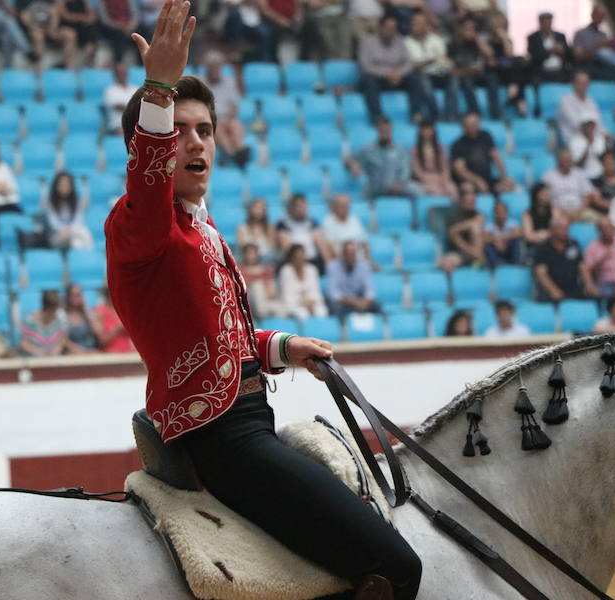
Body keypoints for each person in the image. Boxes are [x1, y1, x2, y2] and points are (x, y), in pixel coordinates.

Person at [106, 5, 422, 596]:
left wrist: (280, 347)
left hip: (249, 423)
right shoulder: (138, 223)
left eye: (205, 130)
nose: (195, 142)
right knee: (401, 568)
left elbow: (217, 338)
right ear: (146, 148)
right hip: (222, 441)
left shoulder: (200, 230)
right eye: (179, 131)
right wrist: (158, 90)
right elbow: (145, 183)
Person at [358, 15, 425, 123]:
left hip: (397, 78)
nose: (391, 32)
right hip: (377, 78)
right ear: (380, 28)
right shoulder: (367, 42)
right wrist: (386, 73)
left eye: (394, 29)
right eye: (388, 28)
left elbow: (408, 62)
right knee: (368, 80)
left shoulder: (400, 42)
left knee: (415, 79)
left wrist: (399, 73)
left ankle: (416, 113)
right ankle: (377, 116)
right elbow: (365, 66)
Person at [348, 117, 421, 199]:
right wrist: (353, 164)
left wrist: (400, 182)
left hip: (397, 185)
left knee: (417, 190)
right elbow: (349, 158)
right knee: (391, 157)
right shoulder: (368, 149)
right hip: (376, 185)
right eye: (382, 130)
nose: (384, 133)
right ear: (378, 131)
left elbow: (405, 170)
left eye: (387, 130)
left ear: (391, 130)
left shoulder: (400, 149)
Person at [404, 10, 455, 122]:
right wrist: (431, 61)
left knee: (454, 79)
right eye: (412, 23)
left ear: (425, 26)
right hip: (421, 75)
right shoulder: (406, 42)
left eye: (417, 24)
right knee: (423, 79)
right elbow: (412, 66)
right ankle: (436, 114)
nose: (413, 26)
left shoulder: (437, 40)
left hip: (440, 73)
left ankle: (450, 115)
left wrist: (430, 62)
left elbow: (443, 60)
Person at [202, 51, 250, 168]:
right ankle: (234, 155)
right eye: (213, 67)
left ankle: (239, 150)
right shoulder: (202, 84)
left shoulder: (229, 82)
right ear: (208, 68)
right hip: (211, 119)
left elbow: (234, 106)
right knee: (218, 129)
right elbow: (201, 108)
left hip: (227, 117)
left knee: (236, 125)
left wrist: (230, 119)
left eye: (218, 67)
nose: (216, 70)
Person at [448, 16, 500, 120]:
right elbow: (450, 69)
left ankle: (496, 113)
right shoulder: (453, 44)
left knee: (492, 78)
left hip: (478, 74)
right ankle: (475, 112)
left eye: (472, 29)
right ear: (460, 29)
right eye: (467, 28)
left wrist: (477, 38)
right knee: (466, 82)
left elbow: (490, 54)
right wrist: (466, 70)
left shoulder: (478, 42)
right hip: (463, 75)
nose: (469, 31)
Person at [532, 215, 594, 302]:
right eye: (562, 228)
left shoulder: (573, 244)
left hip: (573, 290)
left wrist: (589, 284)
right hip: (550, 293)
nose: (565, 231)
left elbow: (582, 266)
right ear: (552, 229)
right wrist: (553, 290)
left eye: (567, 228)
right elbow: (541, 273)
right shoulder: (543, 248)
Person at [450, 112, 515, 193]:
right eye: (469, 124)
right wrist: (477, 180)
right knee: (468, 188)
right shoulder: (457, 145)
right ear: (463, 126)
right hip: (469, 181)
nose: (472, 126)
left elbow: (496, 157)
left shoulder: (486, 136)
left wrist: (504, 177)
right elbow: (460, 170)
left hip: (487, 178)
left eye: (475, 123)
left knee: (510, 185)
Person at [542, 147, 603, 221]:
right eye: (564, 160)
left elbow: (588, 195)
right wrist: (563, 212)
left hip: (580, 211)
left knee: (602, 221)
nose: (567, 162)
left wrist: (579, 210)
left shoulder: (579, 174)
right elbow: (545, 199)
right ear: (558, 161)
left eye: (569, 160)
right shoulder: (548, 177)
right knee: (556, 220)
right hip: (559, 211)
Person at [275, 194, 332, 272]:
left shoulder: (313, 223)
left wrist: (330, 264)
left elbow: (322, 246)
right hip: (292, 262)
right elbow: (286, 248)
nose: (302, 209)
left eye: (304, 206)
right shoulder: (283, 224)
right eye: (299, 206)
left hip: (313, 261)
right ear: (292, 208)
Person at [487, 10, 527, 117]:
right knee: (515, 67)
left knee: (519, 64)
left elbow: (509, 53)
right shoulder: (488, 40)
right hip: (495, 70)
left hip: (508, 70)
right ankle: (519, 100)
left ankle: (514, 89)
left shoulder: (506, 39)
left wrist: (504, 38)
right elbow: (491, 60)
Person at [326, 240, 379, 318]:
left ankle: (377, 329)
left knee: (376, 306)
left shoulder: (363, 266)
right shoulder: (333, 267)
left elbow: (370, 290)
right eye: (348, 254)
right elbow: (333, 293)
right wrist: (353, 302)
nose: (351, 257)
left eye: (353, 254)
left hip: (360, 300)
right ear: (343, 254)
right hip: (343, 302)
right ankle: (341, 329)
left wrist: (366, 301)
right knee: (335, 307)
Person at [440, 181, 484, 271]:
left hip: (477, 252)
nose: (471, 199)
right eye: (467, 195)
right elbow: (455, 237)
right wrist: (473, 252)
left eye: (473, 195)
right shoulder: (454, 215)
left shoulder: (478, 214)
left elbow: (480, 228)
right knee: (446, 264)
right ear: (461, 199)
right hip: (460, 252)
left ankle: (477, 266)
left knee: (475, 229)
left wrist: (457, 228)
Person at [557, 71, 607, 146]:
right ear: (574, 84)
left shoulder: (591, 101)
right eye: (581, 83)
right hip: (573, 139)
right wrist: (594, 134)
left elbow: (598, 122)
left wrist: (605, 134)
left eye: (586, 83)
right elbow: (576, 124)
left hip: (593, 137)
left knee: (608, 143)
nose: (584, 86)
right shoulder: (565, 101)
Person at [279, 244, 328, 320]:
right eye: (297, 257)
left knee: (322, 312)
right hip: (294, 306)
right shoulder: (286, 271)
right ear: (292, 258)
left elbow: (316, 292)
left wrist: (311, 303)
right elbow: (287, 296)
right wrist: (303, 303)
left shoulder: (312, 269)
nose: (300, 259)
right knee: (302, 314)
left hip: (312, 304)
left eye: (302, 256)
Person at [44, 171, 92, 250]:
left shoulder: (77, 201)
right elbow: (53, 223)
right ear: (56, 186)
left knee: (77, 243)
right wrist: (64, 230)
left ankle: (85, 258)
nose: (64, 188)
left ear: (71, 186)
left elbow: (79, 220)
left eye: (67, 185)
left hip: (73, 233)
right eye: (61, 185)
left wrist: (71, 230)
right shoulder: (50, 202)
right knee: (84, 233)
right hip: (56, 236)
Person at [410, 121, 457, 197]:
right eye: (424, 130)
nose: (427, 132)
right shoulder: (415, 150)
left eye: (429, 129)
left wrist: (444, 179)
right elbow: (417, 171)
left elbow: (445, 168)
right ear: (420, 132)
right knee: (433, 191)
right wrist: (430, 180)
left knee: (451, 188)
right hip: (424, 181)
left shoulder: (441, 148)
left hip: (440, 179)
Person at [527, 11, 572, 87]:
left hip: (559, 70)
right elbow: (534, 56)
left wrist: (562, 51)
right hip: (541, 72)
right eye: (545, 22)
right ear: (540, 23)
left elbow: (568, 54)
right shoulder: (533, 38)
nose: (547, 25)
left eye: (549, 22)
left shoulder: (560, 36)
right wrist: (550, 50)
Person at [239, 243, 284, 319]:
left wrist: (268, 292)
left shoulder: (266, 270)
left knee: (281, 308)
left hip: (266, 300)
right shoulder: (240, 271)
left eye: (253, 253)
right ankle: (262, 312)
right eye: (248, 253)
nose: (250, 256)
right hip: (249, 303)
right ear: (244, 255)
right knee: (257, 286)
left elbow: (272, 291)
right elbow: (241, 291)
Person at [20, 289, 68, 356]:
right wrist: (39, 352)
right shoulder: (30, 320)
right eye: (55, 306)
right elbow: (24, 344)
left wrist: (56, 350)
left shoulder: (61, 319)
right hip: (34, 360)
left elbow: (63, 341)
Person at [572, 4, 612, 78]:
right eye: (598, 15)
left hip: (602, 66)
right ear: (592, 15)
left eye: (602, 16)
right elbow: (578, 56)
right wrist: (597, 46)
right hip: (586, 67)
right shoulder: (580, 33)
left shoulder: (603, 35)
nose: (600, 18)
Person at [55, 0, 98, 68]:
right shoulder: (61, 2)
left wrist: (82, 18)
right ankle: (69, 66)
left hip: (82, 26)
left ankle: (90, 63)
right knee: (70, 35)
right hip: (68, 26)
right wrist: (81, 17)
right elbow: (65, 16)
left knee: (90, 35)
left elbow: (91, 16)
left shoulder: (84, 2)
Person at [236, 197, 279, 264]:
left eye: (262, 208)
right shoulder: (242, 228)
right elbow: (242, 248)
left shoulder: (270, 228)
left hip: (267, 261)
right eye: (257, 207)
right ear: (251, 209)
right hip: (248, 260)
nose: (260, 210)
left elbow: (273, 248)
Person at [92, 287, 134, 352]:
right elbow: (102, 341)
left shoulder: (125, 310)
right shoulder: (100, 312)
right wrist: (118, 328)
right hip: (111, 356)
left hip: (128, 355)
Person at [63, 282, 100, 353]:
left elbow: (97, 332)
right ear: (68, 297)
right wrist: (81, 351)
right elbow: (64, 341)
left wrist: (86, 309)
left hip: (91, 350)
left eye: (80, 295)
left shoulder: (87, 313)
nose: (78, 298)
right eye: (75, 295)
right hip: (74, 352)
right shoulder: (63, 315)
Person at [483, 201, 521, 268]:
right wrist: (495, 241)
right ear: (494, 213)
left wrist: (503, 239)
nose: (501, 215)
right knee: (488, 246)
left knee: (515, 242)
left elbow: (518, 234)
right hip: (496, 249)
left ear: (507, 213)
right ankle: (493, 266)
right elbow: (484, 238)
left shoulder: (513, 223)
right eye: (498, 212)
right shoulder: (489, 225)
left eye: (503, 212)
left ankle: (515, 264)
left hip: (508, 249)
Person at [569, 116, 608, 180]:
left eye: (591, 125)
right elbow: (578, 164)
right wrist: (588, 145)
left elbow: (604, 158)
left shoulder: (600, 138)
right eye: (587, 125)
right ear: (582, 127)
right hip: (584, 176)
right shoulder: (574, 142)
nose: (589, 128)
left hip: (601, 175)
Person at [104, 62, 138, 135]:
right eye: (120, 73)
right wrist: (134, 108)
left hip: (135, 125)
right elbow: (118, 106)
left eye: (124, 72)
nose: (123, 75)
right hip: (118, 125)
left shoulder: (134, 89)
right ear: (115, 75)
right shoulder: (110, 90)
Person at [522, 182, 553, 252]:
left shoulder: (554, 212)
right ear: (536, 195)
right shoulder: (527, 214)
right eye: (544, 194)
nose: (547, 196)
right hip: (534, 247)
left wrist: (540, 234)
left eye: (548, 194)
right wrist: (544, 235)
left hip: (550, 246)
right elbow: (528, 236)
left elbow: (556, 231)